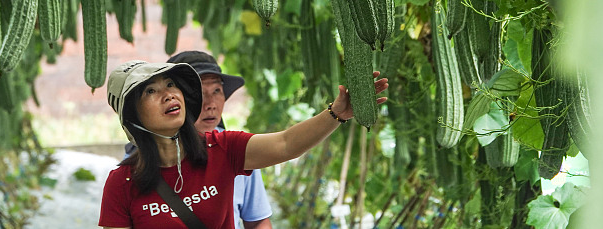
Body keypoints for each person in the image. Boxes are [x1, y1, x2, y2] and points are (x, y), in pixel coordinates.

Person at [99, 59, 387, 229]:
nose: (168, 95)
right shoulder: (122, 183)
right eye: (151, 90)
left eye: (171, 85)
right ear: (132, 115)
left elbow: (286, 144)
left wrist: (336, 114)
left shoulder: (222, 148)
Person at [123, 51, 273, 228]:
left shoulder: (236, 150)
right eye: (200, 93)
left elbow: (257, 221)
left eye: (217, 90)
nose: (211, 104)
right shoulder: (135, 169)